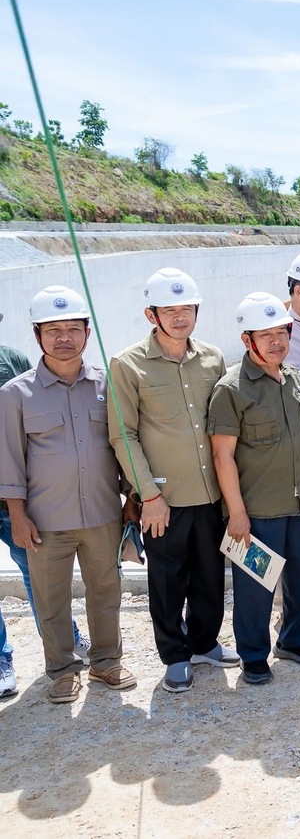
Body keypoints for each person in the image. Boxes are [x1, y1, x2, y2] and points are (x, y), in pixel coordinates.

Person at [0, 286, 136, 703]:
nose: (64, 338)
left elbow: (123, 444)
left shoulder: (107, 384)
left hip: (102, 513)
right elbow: (9, 460)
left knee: (106, 592)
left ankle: (106, 661)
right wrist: (17, 515)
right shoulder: (15, 394)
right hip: (45, 520)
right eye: (53, 330)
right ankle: (61, 670)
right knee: (51, 599)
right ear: (37, 335)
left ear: (87, 333)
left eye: (73, 329)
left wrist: (131, 499)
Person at [108, 268, 238, 694]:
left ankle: (204, 643)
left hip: (210, 494)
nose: (180, 317)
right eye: (170, 310)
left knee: (210, 576)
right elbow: (123, 434)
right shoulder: (127, 364)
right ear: (152, 314)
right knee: (167, 581)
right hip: (163, 498)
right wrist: (147, 495)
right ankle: (175, 655)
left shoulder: (212, 357)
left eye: (187, 309)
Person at [208, 293, 300, 685]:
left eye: (282, 332)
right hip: (258, 512)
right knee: (256, 586)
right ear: (247, 340)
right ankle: (254, 654)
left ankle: (295, 640)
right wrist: (237, 513)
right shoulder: (231, 389)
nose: (277, 342)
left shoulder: (296, 379)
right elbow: (223, 456)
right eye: (266, 335)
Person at [1, 326, 89, 697]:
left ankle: (64, 644)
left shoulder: (10, 358)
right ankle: (1, 659)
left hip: (14, 495)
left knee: (38, 573)